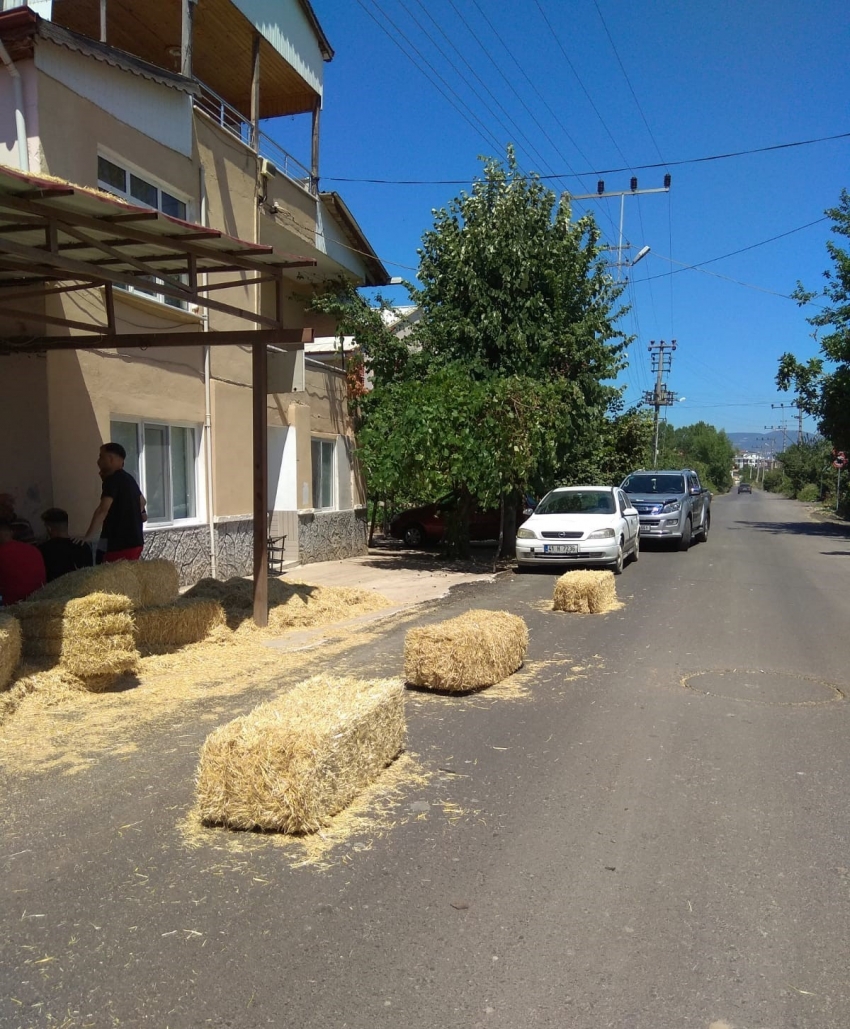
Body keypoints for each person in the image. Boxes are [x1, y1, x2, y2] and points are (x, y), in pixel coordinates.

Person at [80, 443, 147, 561]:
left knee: (104, 571)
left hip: (118, 544)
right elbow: (143, 502)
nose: (98, 461)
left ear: (110, 459)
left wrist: (88, 537)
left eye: (101, 457)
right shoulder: (129, 478)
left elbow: (102, 510)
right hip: (135, 542)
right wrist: (141, 513)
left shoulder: (112, 480)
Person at [38, 507, 94, 582]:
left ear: (49, 528)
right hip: (81, 592)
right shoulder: (83, 546)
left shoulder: (43, 550)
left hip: (53, 592)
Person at [0, 516, 46, 605]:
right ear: (11, 533)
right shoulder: (33, 549)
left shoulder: (2, 553)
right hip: (38, 602)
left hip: (10, 606)